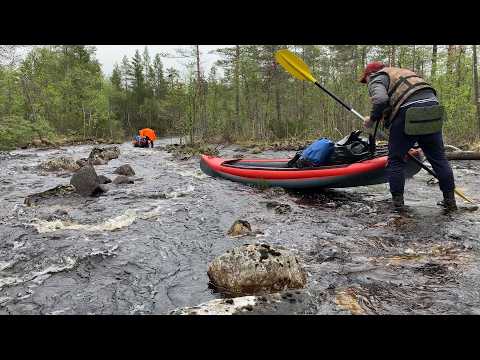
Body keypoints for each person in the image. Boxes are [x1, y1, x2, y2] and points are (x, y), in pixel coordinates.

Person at [360, 61, 457, 211]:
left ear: (370, 74)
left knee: (395, 160)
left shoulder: (377, 77)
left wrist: (371, 119)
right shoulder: (403, 72)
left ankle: (398, 206)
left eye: (365, 79)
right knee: (439, 158)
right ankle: (450, 201)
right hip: (433, 108)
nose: (366, 83)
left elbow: (380, 100)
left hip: (409, 111)